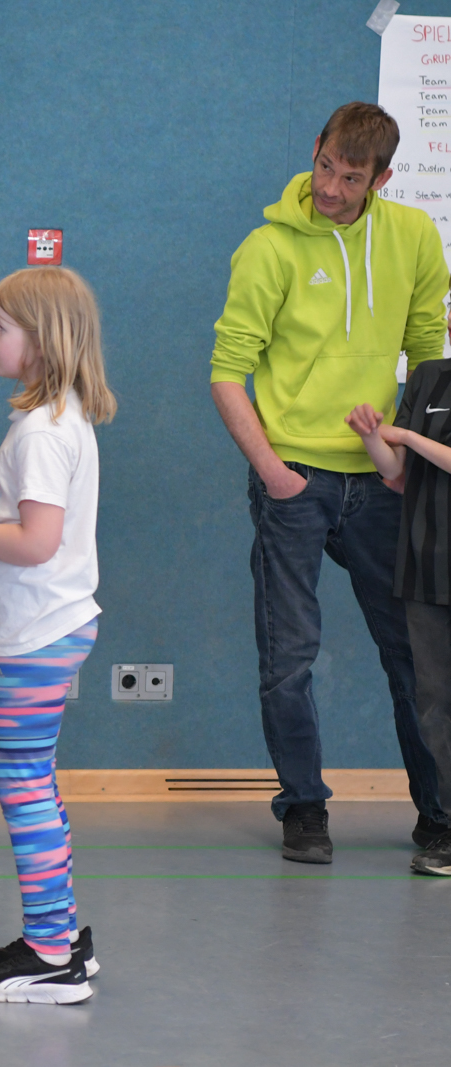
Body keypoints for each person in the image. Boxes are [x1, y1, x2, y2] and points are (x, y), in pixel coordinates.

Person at [210, 102, 450, 863]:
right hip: (295, 479)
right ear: (314, 149)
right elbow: (227, 372)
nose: (331, 189)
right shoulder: (269, 247)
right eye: (325, 168)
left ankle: (440, 813)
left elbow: (428, 353)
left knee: (415, 656)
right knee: (289, 657)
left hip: (383, 482)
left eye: (351, 178)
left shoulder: (413, 236)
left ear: (382, 178)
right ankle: (304, 807)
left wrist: (405, 459)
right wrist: (273, 472)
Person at [0, 265, 114, 1005]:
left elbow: (37, 542)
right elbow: (31, 531)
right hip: (52, 625)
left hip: (35, 634)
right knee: (36, 780)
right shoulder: (60, 417)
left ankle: (48, 954)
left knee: (24, 787)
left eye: (1, 327)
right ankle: (58, 933)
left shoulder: (41, 432)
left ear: (40, 339)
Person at [346, 364, 451, 876]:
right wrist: (372, 436)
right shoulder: (428, 379)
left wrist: (406, 435)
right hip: (425, 569)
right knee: (434, 705)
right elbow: (397, 475)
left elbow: (415, 446)